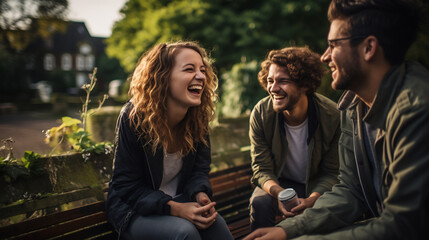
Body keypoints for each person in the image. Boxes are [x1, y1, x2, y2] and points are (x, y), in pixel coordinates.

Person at [244, 0, 428, 239]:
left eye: (333, 45)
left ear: (369, 47)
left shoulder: (416, 110)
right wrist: (285, 230)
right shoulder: (353, 106)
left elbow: (404, 225)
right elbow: (351, 190)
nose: (324, 57)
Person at [106, 41, 234, 240]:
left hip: (180, 200)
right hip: (133, 211)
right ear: (163, 77)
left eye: (202, 69)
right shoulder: (134, 117)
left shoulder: (198, 117)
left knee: (216, 225)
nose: (201, 76)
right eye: (189, 69)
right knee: (185, 233)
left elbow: (198, 171)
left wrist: (199, 194)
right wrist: (175, 209)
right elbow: (126, 187)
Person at [248, 46, 340, 231]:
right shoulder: (261, 113)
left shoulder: (332, 115)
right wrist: (280, 194)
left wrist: (313, 198)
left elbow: (332, 172)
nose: (273, 88)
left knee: (326, 208)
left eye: (282, 81)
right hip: (279, 183)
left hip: (315, 184)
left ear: (304, 84)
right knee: (260, 203)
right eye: (270, 81)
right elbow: (261, 169)